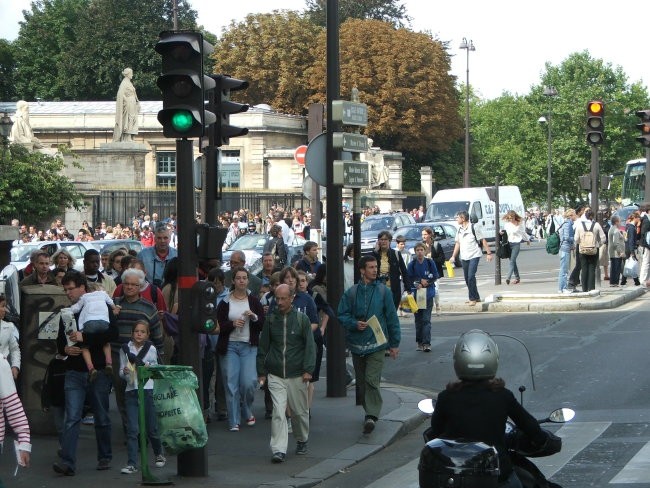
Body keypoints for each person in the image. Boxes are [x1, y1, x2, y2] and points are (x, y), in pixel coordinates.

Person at [429, 329, 548, 488]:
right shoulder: (503, 396)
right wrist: (541, 439)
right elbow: (531, 427)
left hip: (457, 474)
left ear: (458, 360)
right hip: (497, 474)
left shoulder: (446, 397)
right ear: (493, 359)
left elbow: (435, 433)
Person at [55, 271, 118, 476]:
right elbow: (60, 340)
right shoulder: (68, 311)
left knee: (101, 415)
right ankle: (67, 461)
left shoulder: (99, 305)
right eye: (65, 290)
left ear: (82, 287)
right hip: (74, 370)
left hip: (98, 369)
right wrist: (65, 349)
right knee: (72, 417)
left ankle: (105, 456)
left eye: (71, 289)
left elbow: (112, 333)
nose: (68, 293)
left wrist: (85, 338)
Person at [337, 255, 401, 434]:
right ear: (362, 270)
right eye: (371, 267)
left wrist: (394, 343)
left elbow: (391, 318)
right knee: (363, 383)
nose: (374, 270)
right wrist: (354, 324)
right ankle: (369, 412)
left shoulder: (383, 291)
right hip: (357, 345)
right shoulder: (351, 292)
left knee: (372, 379)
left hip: (378, 345)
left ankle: (371, 415)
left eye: (376, 267)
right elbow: (341, 314)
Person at [256, 284, 316, 464]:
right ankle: (278, 449)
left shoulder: (302, 320)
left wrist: (308, 370)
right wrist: (262, 373)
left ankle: (302, 439)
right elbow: (263, 347)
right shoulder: (270, 319)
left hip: (297, 374)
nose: (279, 302)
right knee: (278, 412)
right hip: (275, 374)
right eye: (277, 298)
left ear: (292, 298)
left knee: (299, 412)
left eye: (283, 298)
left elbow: (310, 347)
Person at [216, 267, 265, 432]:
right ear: (233, 281)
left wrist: (254, 317)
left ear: (248, 281)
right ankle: (234, 420)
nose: (242, 281)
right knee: (231, 383)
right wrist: (232, 324)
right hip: (230, 346)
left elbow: (262, 324)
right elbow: (218, 325)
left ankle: (246, 408)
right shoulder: (225, 302)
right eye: (238, 278)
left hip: (248, 346)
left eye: (244, 278)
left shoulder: (254, 301)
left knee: (249, 382)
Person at [118, 320, 166, 474]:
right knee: (132, 429)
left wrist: (148, 368)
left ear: (148, 334)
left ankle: (159, 453)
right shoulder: (125, 349)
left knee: (151, 427)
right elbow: (120, 371)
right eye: (137, 331)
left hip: (147, 389)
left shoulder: (151, 349)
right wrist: (124, 372)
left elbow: (155, 368)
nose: (139, 334)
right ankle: (131, 463)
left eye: (143, 331)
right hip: (131, 390)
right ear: (132, 333)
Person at [67, 282, 120, 381]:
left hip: (89, 324)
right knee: (106, 342)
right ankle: (109, 362)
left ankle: (91, 368)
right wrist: (114, 309)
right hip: (103, 323)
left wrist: (68, 310)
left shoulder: (85, 297)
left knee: (84, 346)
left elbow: (76, 308)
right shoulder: (103, 295)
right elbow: (111, 302)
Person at [449, 211, 493, 305]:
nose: (457, 219)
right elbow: (458, 243)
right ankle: (476, 297)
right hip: (464, 256)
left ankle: (472, 298)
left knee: (471, 276)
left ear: (463, 218)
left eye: (458, 217)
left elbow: (482, 240)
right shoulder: (459, 229)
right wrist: (453, 256)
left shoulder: (474, 227)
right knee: (467, 278)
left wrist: (489, 253)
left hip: (474, 254)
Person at [407, 242, 439, 352]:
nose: (420, 252)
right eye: (418, 250)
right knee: (418, 320)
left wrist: (427, 282)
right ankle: (419, 342)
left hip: (428, 294)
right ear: (415, 252)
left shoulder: (430, 262)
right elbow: (409, 278)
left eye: (421, 250)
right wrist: (418, 282)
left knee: (426, 320)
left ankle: (426, 343)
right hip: (416, 295)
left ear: (425, 251)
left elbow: (435, 276)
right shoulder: (412, 264)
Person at [371, 230, 409, 310]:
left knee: (391, 314)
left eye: (385, 239)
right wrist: (375, 251)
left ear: (390, 241)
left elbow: (404, 272)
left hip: (393, 290)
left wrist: (408, 288)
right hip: (377, 290)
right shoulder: (374, 255)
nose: (383, 241)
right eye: (381, 239)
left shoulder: (396, 254)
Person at [574, 209, 606, 292]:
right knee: (592, 269)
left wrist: (581, 243)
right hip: (593, 249)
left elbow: (576, 238)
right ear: (593, 216)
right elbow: (603, 238)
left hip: (583, 249)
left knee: (584, 269)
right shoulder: (596, 225)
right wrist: (598, 244)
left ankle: (584, 289)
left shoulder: (580, 225)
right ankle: (591, 288)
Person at [501, 210, 531, 285]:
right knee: (513, 262)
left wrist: (527, 240)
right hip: (509, 244)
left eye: (512, 218)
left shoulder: (519, 224)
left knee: (512, 261)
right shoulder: (507, 224)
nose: (511, 219)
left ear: (514, 217)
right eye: (509, 218)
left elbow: (523, 233)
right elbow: (504, 231)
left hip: (516, 244)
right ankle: (517, 278)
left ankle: (508, 277)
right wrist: (501, 232)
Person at [113, 68, 140, 142]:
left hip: (133, 103)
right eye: (131, 73)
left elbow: (134, 94)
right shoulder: (124, 82)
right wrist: (126, 101)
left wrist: (137, 102)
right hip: (129, 103)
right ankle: (127, 137)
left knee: (133, 119)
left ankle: (130, 136)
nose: (132, 75)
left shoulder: (129, 83)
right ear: (127, 74)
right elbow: (120, 94)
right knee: (129, 119)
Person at [0, 294, 20, 380]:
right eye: (2, 306)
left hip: (4, 372)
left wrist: (15, 366)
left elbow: (14, 349)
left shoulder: (9, 326)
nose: (5, 310)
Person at [558, 208, 576, 293]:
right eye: (574, 214)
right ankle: (563, 288)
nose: (575, 216)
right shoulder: (568, 224)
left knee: (563, 269)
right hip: (565, 248)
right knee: (564, 270)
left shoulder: (566, 223)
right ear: (571, 216)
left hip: (564, 248)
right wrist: (574, 239)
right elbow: (567, 237)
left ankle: (561, 288)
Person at [621, 212, 641, 287]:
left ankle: (624, 280)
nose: (639, 220)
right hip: (630, 248)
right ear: (635, 218)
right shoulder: (632, 228)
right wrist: (632, 252)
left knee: (628, 264)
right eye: (638, 218)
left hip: (627, 247)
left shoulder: (628, 227)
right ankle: (636, 281)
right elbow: (631, 240)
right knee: (632, 264)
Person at [608, 215, 626, 287]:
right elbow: (616, 243)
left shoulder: (612, 229)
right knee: (616, 267)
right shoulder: (615, 230)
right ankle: (615, 282)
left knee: (614, 267)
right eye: (620, 221)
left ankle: (613, 282)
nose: (620, 223)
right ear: (616, 222)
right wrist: (620, 251)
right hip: (616, 253)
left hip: (613, 252)